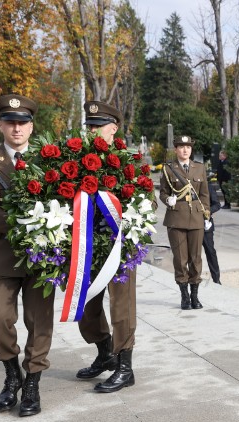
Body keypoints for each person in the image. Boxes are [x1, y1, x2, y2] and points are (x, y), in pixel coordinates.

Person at [0, 93, 54, 417]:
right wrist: (20, 225)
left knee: (39, 320)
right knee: (0, 319)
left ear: (31, 126)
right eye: (10, 122)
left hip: (43, 254)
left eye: (23, 122)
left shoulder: (48, 162)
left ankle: (32, 383)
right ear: (1, 124)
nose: (17, 128)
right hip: (5, 250)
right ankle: (11, 374)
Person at [76, 100, 142, 392]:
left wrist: (127, 219)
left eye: (98, 126)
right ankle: (104, 354)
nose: (92, 131)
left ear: (113, 129)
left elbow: (146, 202)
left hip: (119, 246)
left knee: (121, 306)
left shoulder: (129, 162)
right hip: (87, 245)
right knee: (87, 303)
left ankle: (125, 367)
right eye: (89, 126)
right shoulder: (76, 160)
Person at [160, 135, 210, 308]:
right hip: (176, 218)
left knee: (195, 258)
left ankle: (195, 296)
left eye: (188, 147)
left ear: (191, 149)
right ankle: (184, 296)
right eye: (181, 147)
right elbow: (163, 193)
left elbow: (204, 194)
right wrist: (168, 200)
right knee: (180, 259)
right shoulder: (168, 169)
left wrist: (207, 214)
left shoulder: (200, 168)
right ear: (176, 150)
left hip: (196, 217)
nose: (185, 150)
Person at [202, 176, 223, 284]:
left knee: (210, 252)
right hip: (191, 225)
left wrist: (208, 211)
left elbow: (217, 204)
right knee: (192, 254)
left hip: (206, 226)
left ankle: (216, 279)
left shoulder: (208, 186)